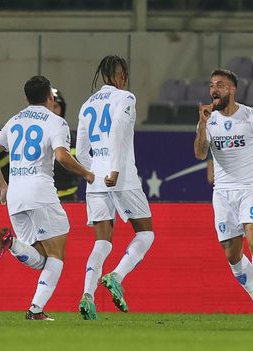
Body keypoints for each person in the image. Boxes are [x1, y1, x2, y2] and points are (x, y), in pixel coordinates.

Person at [0, 75, 95, 321]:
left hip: (15, 195)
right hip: (40, 192)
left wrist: (3, 186)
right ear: (50, 96)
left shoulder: (14, 121)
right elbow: (62, 157)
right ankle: (35, 310)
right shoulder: (56, 122)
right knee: (56, 255)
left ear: (26, 98)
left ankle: (12, 244)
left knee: (39, 258)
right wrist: (87, 173)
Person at [194, 69, 253, 322]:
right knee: (232, 255)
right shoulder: (208, 120)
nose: (214, 90)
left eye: (220, 85)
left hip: (250, 188)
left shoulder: (251, 117)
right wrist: (201, 124)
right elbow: (200, 153)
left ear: (232, 90)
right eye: (212, 85)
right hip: (222, 193)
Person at [76, 55, 155, 320]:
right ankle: (117, 276)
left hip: (95, 177)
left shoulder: (86, 105)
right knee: (146, 234)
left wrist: (90, 175)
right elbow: (120, 131)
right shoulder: (126, 97)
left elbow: (82, 149)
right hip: (121, 176)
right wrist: (116, 169)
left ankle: (87, 295)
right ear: (122, 76)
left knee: (102, 241)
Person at [51, 88, 80, 201]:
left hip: (67, 198)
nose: (52, 110)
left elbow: (75, 169)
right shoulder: (33, 136)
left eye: (56, 106)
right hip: (41, 199)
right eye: (49, 106)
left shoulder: (72, 138)